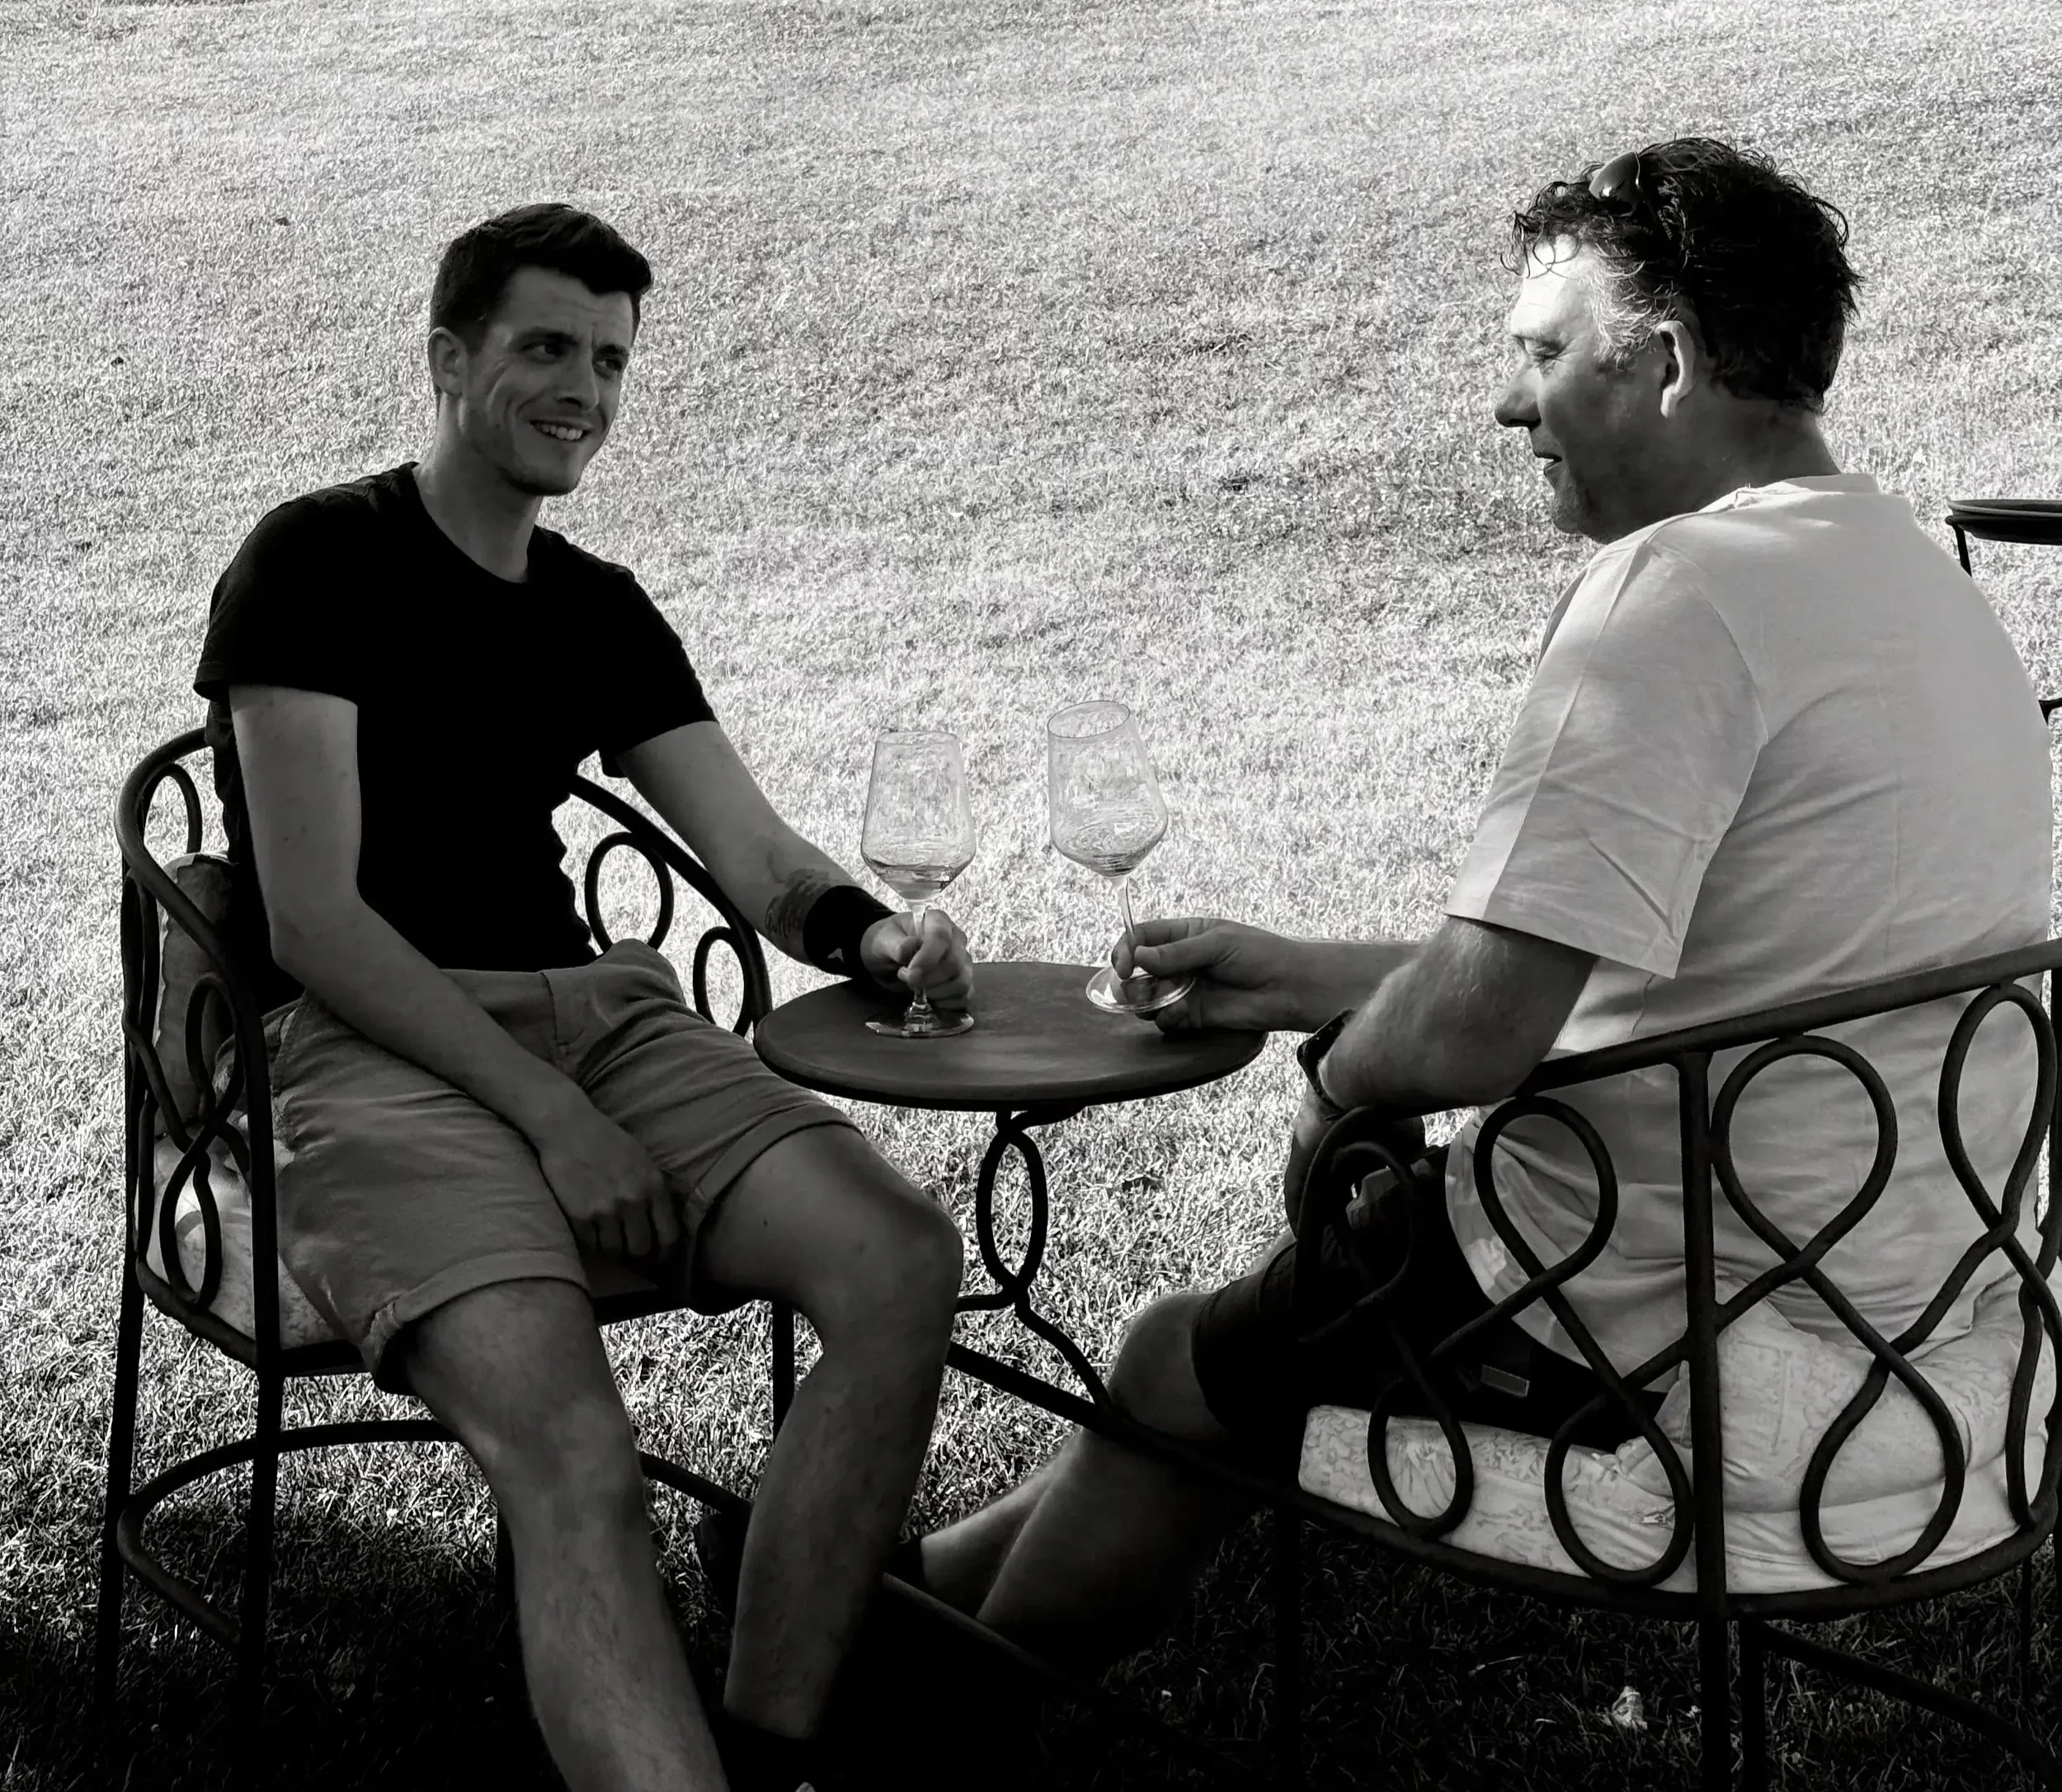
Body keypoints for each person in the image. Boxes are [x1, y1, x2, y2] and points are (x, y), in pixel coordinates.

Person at [915, 137, 2052, 1665]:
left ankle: (917, 1720)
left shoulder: (1678, 592)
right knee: (1196, 1381)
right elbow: (1684, 965)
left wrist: (1338, 1076)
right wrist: (1310, 971)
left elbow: (1465, 1042)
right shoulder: (1909, 573)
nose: (1510, 405)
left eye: (1541, 356)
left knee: (1177, 1369)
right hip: (1893, 1266)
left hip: (1654, 1293)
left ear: (1666, 361)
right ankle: (884, 1618)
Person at [194, 203, 971, 1792]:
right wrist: (552, 1121)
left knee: (899, 1263)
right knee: (574, 1447)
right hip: (361, 1050)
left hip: (597, 1017)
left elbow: (754, 853)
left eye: (611, 360)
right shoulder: (316, 559)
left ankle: (766, 1742)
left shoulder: (594, 602)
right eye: (547, 347)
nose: (585, 390)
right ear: (449, 357)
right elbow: (316, 920)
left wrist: (872, 938)